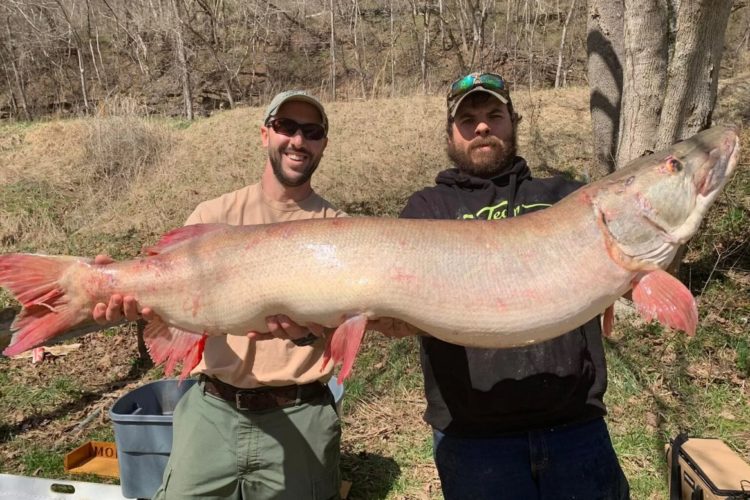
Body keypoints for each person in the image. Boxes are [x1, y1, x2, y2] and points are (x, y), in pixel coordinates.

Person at [372, 72, 630, 499]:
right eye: (468, 118)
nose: (482, 126)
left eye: (495, 114)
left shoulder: (565, 196)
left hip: (575, 424)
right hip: (473, 438)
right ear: (451, 133)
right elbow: (403, 309)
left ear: (514, 121)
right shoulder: (427, 209)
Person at [93, 90, 345, 500]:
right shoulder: (214, 216)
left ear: (323, 145)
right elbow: (164, 295)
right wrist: (117, 293)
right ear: (265, 134)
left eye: (312, 132)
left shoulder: (341, 230)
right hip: (212, 409)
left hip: (300, 412)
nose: (298, 140)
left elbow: (352, 330)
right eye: (286, 127)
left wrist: (308, 334)